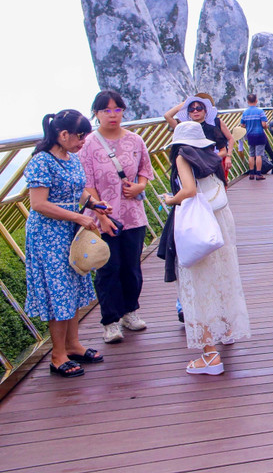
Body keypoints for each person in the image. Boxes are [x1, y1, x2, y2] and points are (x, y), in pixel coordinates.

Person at [25, 110, 112, 378]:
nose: (82, 142)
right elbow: (38, 204)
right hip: (48, 236)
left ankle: (73, 345)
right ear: (63, 135)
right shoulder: (42, 161)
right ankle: (57, 355)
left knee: (73, 287)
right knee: (58, 291)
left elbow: (78, 190)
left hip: (69, 232)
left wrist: (93, 203)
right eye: (79, 137)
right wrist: (79, 216)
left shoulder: (70, 158)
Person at [159, 121, 251, 374]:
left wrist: (170, 199)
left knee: (197, 283)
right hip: (219, 220)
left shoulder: (182, 156)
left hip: (199, 225)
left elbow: (188, 191)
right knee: (221, 275)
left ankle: (210, 355)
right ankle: (226, 328)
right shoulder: (210, 156)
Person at [80, 90, 155, 344]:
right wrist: (100, 215)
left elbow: (145, 169)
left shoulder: (135, 140)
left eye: (117, 109)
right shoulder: (89, 143)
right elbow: (86, 183)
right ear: (96, 113)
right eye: (106, 110)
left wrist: (140, 186)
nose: (112, 115)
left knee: (132, 266)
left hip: (133, 215)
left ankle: (130, 312)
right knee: (107, 267)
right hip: (103, 216)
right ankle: (110, 321)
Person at [164, 95, 233, 178]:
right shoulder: (185, 129)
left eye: (199, 108)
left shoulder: (212, 129)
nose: (195, 111)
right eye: (191, 109)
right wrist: (186, 103)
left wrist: (208, 159)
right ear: (188, 113)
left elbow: (223, 150)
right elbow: (167, 116)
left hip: (211, 167)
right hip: (191, 166)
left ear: (205, 111)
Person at [241, 93, 269, 180]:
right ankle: (258, 174)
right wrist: (265, 127)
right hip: (259, 135)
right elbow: (264, 124)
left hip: (250, 135)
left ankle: (251, 173)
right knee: (259, 155)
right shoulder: (260, 111)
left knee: (251, 154)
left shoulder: (245, 112)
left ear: (248, 101)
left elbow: (242, 125)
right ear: (256, 101)